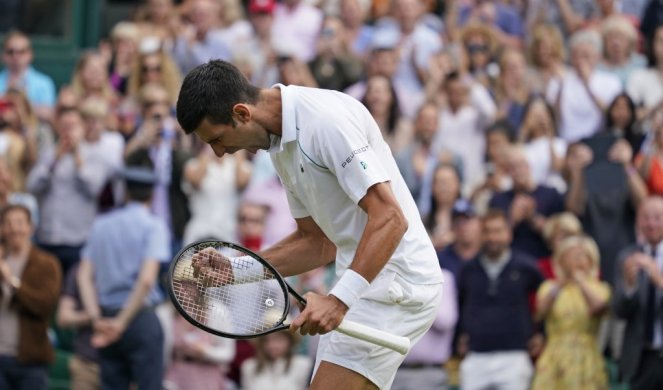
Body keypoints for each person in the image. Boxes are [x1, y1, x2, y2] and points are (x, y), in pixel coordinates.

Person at [176, 59, 444, 390]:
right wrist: (235, 270)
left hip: (399, 282)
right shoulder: (279, 146)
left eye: (216, 139)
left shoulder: (326, 123)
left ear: (242, 113)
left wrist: (339, 300)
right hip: (365, 279)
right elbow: (317, 242)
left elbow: (391, 218)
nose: (218, 153)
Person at [77, 166, 171, 390]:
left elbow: (83, 274)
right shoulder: (154, 225)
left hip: (106, 317)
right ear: (152, 194)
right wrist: (121, 323)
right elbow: (147, 280)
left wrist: (96, 318)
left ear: (126, 192)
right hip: (139, 318)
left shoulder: (101, 224)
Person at [457, 209, 543, 390]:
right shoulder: (468, 270)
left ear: (509, 234)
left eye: (497, 231)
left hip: (515, 354)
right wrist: (460, 335)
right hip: (476, 355)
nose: (492, 238)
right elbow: (460, 303)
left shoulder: (526, 267)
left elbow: (545, 299)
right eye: (487, 231)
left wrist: (541, 332)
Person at [531, 235, 611, 390]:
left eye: (581, 256)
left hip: (586, 356)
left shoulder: (599, 288)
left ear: (591, 260)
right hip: (555, 355)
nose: (576, 260)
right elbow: (540, 312)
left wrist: (580, 281)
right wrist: (561, 284)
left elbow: (599, 308)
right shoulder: (549, 287)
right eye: (571, 255)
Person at [0, 205, 61, 390]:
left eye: (19, 223)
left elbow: (44, 305)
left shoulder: (46, 263)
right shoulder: (2, 259)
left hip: (31, 360)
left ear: (30, 227)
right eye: (8, 223)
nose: (14, 228)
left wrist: (11, 281)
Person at [614, 196, 663, 389]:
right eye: (645, 217)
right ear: (638, 221)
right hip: (641, 357)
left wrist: (658, 280)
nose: (651, 224)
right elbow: (619, 312)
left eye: (658, 217)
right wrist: (629, 286)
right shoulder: (627, 256)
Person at [0, 30, 56, 120]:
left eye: (21, 52)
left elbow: (49, 114)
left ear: (30, 54)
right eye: (10, 52)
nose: (16, 56)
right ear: (3, 55)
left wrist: (21, 104)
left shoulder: (44, 83)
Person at [240, 332, 312, 390]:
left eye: (279, 339)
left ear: (289, 341)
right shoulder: (249, 366)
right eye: (267, 340)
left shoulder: (303, 365)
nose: (272, 345)